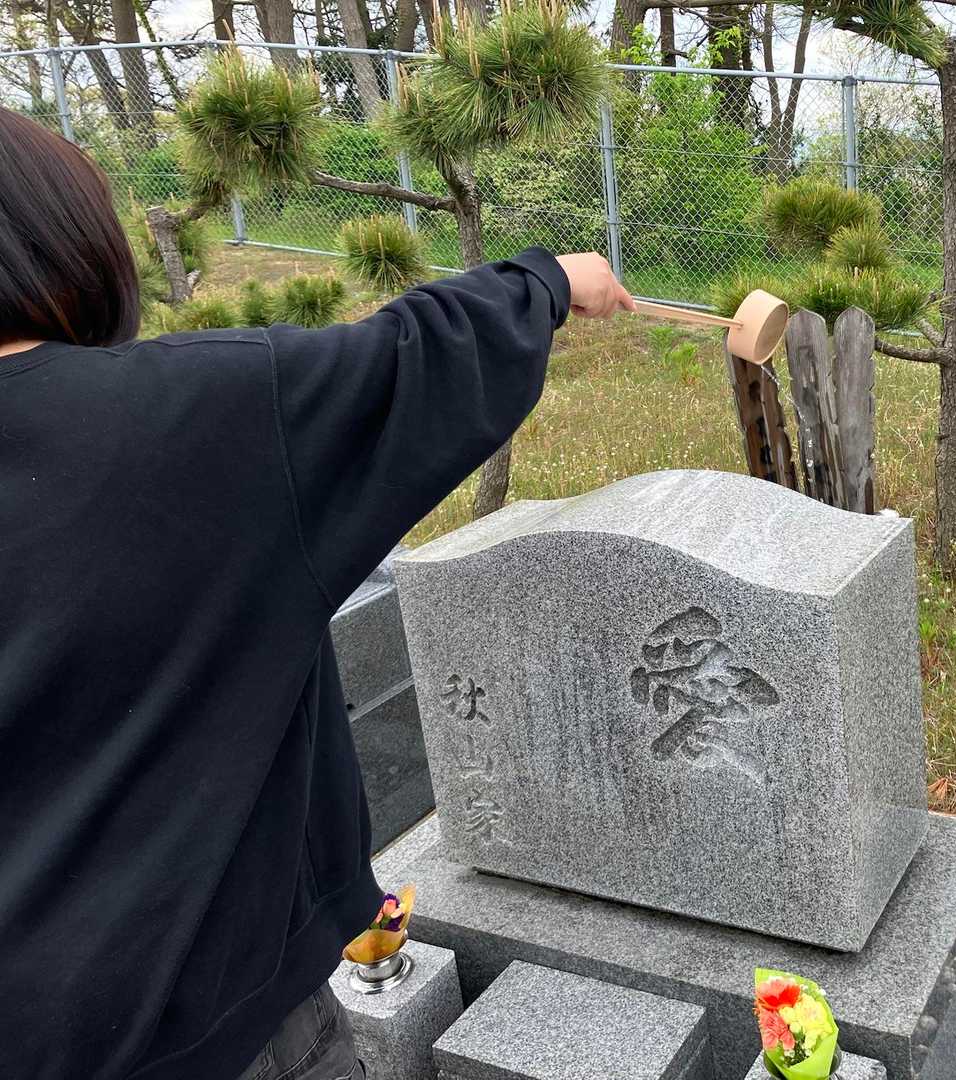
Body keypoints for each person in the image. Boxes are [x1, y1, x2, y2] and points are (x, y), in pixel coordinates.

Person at [0, 106, 633, 1080]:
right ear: (59, 238)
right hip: (201, 1022)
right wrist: (548, 280)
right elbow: (410, 364)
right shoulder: (181, 420)